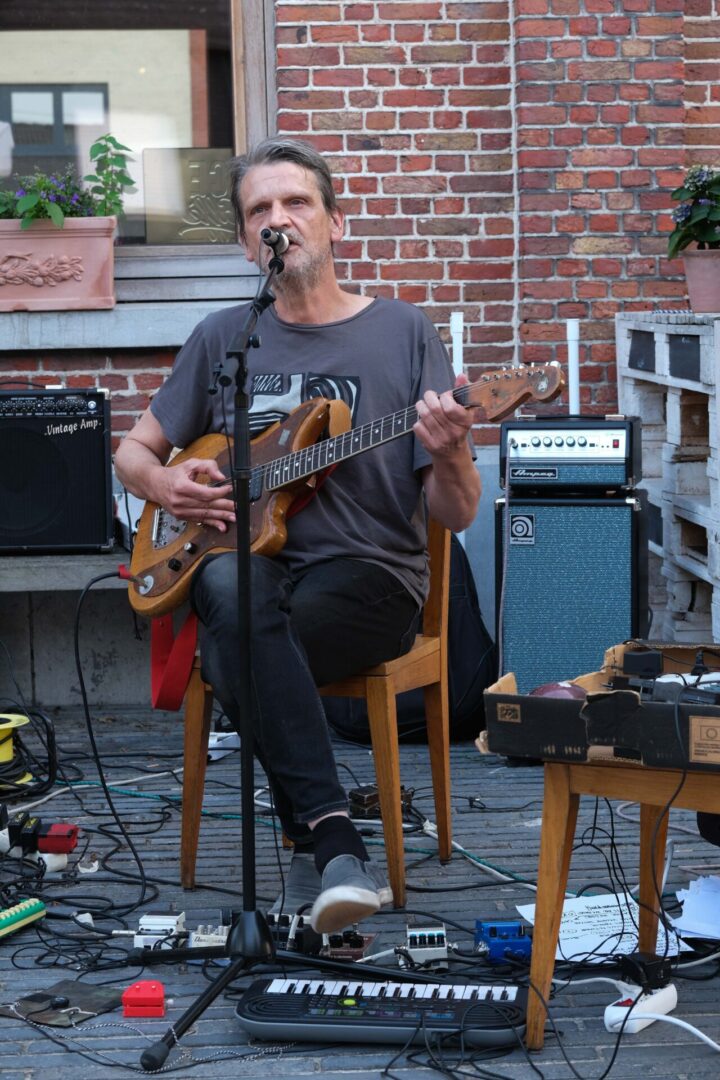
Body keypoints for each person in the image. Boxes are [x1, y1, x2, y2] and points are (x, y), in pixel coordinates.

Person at [115, 137, 481, 934]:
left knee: (234, 650)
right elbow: (132, 452)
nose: (278, 219)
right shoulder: (224, 337)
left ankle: (314, 838)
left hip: (370, 576)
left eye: (296, 202)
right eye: (260, 210)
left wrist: (452, 449)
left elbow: (457, 515)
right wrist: (166, 484)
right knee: (229, 591)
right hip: (249, 569)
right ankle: (336, 841)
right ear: (246, 240)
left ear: (335, 222)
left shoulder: (401, 331)